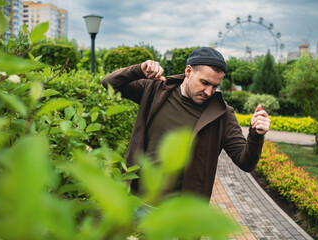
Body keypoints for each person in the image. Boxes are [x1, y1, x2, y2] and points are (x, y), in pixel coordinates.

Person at [102, 47, 270, 200]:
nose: (209, 92)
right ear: (188, 71)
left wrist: (256, 135)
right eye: (204, 82)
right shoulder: (155, 90)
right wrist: (138, 69)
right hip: (135, 201)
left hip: (179, 216)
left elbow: (245, 162)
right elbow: (110, 83)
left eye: (215, 86)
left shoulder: (223, 114)